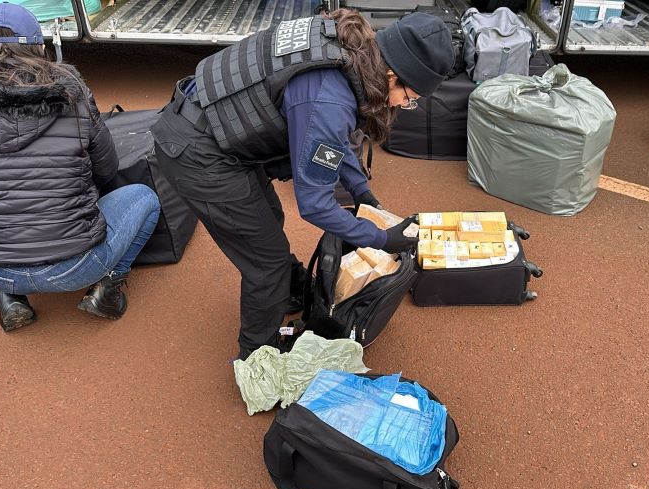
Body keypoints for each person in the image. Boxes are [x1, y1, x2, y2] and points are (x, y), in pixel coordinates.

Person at [151, 9, 454, 360]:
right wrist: (382, 239)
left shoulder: (350, 49)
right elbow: (315, 204)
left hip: (212, 126)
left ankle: (292, 289)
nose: (404, 104)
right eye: (410, 97)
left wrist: (362, 192)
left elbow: (331, 140)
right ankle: (257, 358)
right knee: (264, 262)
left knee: (268, 218)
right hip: (196, 152)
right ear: (392, 76)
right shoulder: (328, 99)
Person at [0, 2, 160, 331]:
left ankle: (7, 297)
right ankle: (107, 287)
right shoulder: (71, 89)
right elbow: (107, 169)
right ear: (39, 46)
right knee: (144, 197)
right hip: (75, 267)